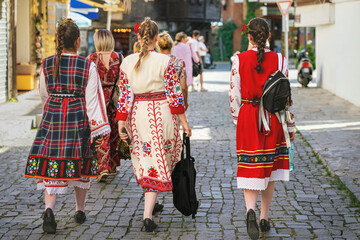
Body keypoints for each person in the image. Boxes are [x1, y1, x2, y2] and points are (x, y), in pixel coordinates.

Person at [24, 18, 111, 234]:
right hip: (77, 118)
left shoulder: (47, 63)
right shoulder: (87, 65)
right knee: (81, 163)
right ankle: (80, 209)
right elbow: (93, 100)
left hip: (53, 118)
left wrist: (52, 110)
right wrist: (98, 129)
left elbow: (44, 94)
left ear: (59, 41)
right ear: (78, 41)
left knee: (52, 163)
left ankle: (49, 209)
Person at [116, 17, 192, 232]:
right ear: (156, 38)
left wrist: (121, 122)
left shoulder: (127, 62)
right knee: (159, 160)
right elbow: (175, 95)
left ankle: (150, 208)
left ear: (139, 37)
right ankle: (148, 213)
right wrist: (184, 122)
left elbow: (124, 96)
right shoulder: (165, 61)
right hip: (162, 114)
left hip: (138, 116)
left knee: (148, 160)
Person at [229, 18, 295, 240]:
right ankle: (264, 217)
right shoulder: (280, 60)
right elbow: (287, 97)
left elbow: (233, 97)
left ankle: (250, 210)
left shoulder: (238, 60)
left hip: (248, 116)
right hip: (273, 118)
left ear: (249, 37)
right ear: (268, 36)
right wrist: (290, 125)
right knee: (270, 169)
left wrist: (239, 122)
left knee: (251, 166)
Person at [88, 29, 123, 182]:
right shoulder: (119, 58)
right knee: (114, 134)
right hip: (115, 102)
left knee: (101, 134)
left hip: (97, 102)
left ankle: (101, 168)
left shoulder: (91, 59)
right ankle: (112, 167)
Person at [158, 31, 188, 110]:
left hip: (156, 102)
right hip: (174, 102)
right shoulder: (179, 62)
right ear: (171, 46)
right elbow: (183, 87)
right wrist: (185, 101)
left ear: (158, 46)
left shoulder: (153, 61)